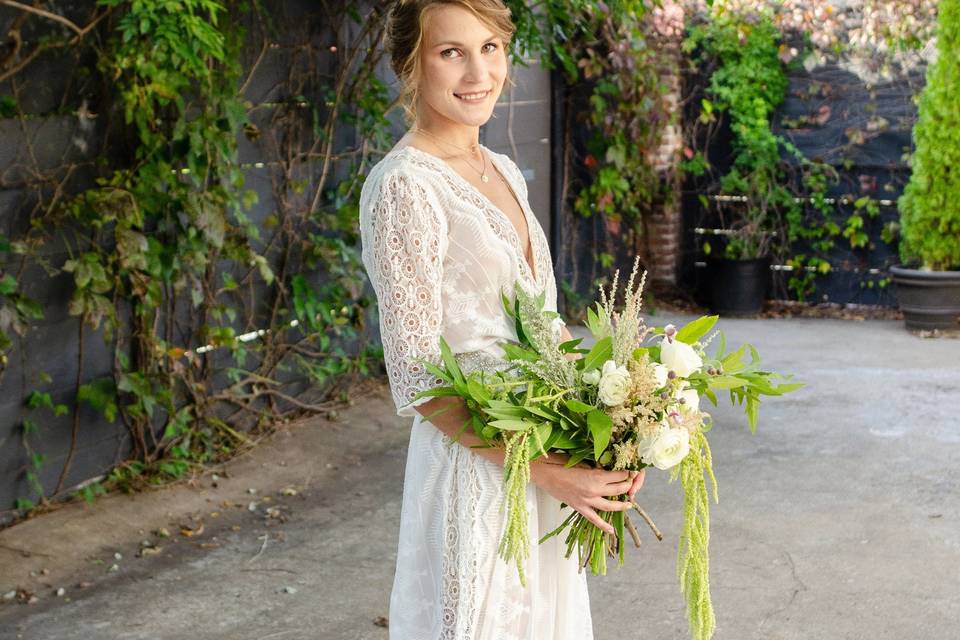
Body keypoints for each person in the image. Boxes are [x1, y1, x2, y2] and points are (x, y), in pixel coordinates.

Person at [358, 1, 645, 637]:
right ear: (411, 65)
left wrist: (621, 421)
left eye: (489, 47)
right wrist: (540, 470)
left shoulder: (504, 170)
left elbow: (545, 325)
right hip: (478, 463)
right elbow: (418, 374)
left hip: (546, 450)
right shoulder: (406, 186)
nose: (477, 72)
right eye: (450, 52)